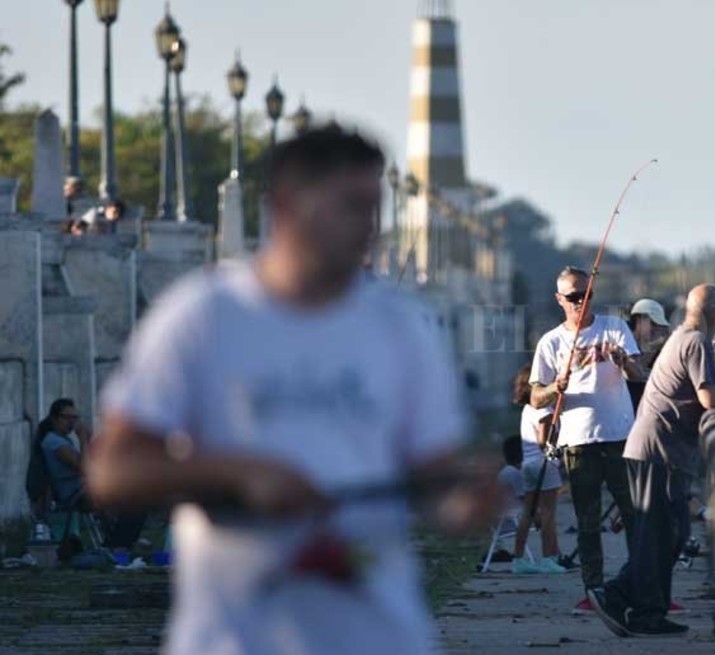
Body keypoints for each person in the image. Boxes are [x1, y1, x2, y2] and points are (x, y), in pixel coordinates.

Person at [87, 125, 498, 655]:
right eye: (351, 206)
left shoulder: (405, 328)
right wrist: (237, 474)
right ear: (286, 204)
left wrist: (465, 506)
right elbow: (111, 472)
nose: (369, 227)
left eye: (374, 208)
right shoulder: (203, 316)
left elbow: (434, 484)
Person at [589, 284, 715, 637]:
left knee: (669, 534)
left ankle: (640, 607)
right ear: (713, 312)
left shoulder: (681, 338)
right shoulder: (696, 341)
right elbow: (708, 396)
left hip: (656, 449)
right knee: (662, 534)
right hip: (659, 452)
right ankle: (625, 601)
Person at [529, 266, 646, 609]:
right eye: (573, 297)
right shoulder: (551, 342)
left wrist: (623, 360)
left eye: (586, 295)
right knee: (588, 520)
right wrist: (557, 386)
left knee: (634, 514)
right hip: (578, 442)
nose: (581, 302)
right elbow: (536, 396)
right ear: (559, 299)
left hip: (621, 437)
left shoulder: (615, 327)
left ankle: (639, 583)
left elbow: (639, 375)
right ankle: (593, 588)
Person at [32, 398, 145, 559]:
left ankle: (117, 543)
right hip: (76, 495)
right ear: (55, 418)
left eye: (74, 418)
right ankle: (117, 546)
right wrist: (84, 439)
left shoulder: (64, 440)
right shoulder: (54, 443)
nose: (71, 422)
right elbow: (85, 469)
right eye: (67, 417)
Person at [509, 365, 567, 575]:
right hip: (544, 464)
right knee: (549, 513)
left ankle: (518, 559)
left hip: (528, 464)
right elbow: (544, 440)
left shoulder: (527, 409)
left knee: (529, 511)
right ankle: (548, 558)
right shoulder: (544, 409)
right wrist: (559, 450)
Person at [625, 298, 672, 409]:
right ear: (640, 319)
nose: (656, 329)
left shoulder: (655, 349)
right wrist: (655, 347)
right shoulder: (622, 340)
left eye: (659, 325)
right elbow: (636, 372)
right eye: (653, 324)